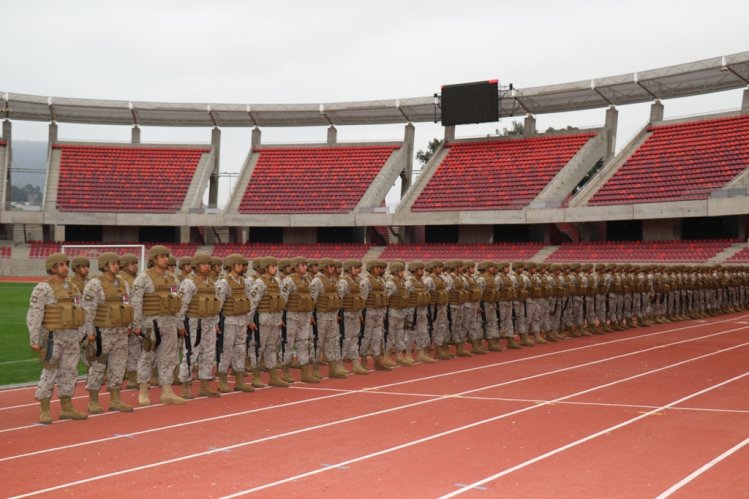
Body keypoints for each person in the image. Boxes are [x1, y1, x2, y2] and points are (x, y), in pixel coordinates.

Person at [27, 253, 88, 424]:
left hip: (71, 338)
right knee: (50, 371)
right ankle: (45, 409)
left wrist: (81, 334)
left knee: (70, 371)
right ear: (52, 268)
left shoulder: (73, 288)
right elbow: (34, 315)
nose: (65, 268)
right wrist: (35, 339)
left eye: (66, 264)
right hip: (53, 338)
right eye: (61, 265)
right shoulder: (42, 289)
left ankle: (67, 407)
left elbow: (81, 311)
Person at [131, 245, 186, 406]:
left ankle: (167, 391)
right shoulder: (143, 278)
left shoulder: (172, 279)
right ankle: (143, 390)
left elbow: (177, 303)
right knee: (147, 357)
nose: (165, 259)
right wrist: (136, 323)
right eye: (162, 256)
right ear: (154, 259)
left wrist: (179, 324)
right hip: (151, 324)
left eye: (166, 256)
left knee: (169, 358)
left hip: (169, 323)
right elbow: (136, 301)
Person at [81, 252, 134, 414]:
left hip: (120, 332)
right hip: (101, 332)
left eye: (118, 263)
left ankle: (116, 399)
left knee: (119, 365)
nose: (117, 266)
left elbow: (128, 304)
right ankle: (93, 400)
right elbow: (88, 310)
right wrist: (89, 333)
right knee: (98, 366)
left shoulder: (122, 283)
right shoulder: (95, 284)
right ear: (105, 266)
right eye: (113, 263)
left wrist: (129, 324)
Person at [177, 252, 224, 398]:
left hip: (209, 323)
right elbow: (181, 306)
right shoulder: (189, 283)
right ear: (196, 266)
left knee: (209, 354)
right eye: (203, 264)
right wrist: (180, 325)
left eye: (208, 264)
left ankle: (204, 385)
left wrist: (216, 323)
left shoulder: (212, 284)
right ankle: (185, 385)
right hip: (194, 324)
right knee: (190, 354)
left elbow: (216, 306)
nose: (207, 266)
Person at [214, 253, 255, 392]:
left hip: (242, 321)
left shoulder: (244, 282)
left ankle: (240, 381)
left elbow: (249, 301)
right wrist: (215, 323)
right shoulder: (224, 283)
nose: (242, 267)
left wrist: (249, 320)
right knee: (226, 350)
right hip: (229, 321)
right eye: (239, 265)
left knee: (240, 350)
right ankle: (223, 380)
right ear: (231, 266)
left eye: (243, 265)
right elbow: (218, 305)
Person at [249, 256, 290, 387]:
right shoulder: (259, 283)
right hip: (263, 320)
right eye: (273, 266)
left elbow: (281, 302)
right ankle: (256, 377)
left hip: (275, 319)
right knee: (258, 348)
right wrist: (249, 320)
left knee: (272, 347)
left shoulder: (277, 281)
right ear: (266, 268)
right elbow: (252, 303)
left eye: (276, 266)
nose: (275, 269)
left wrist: (280, 318)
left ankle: (273, 376)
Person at [280, 256, 320, 383]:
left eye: (305, 265)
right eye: (302, 265)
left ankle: (305, 373)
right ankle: (285, 372)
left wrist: (310, 316)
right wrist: (280, 317)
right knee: (289, 344)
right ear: (296, 267)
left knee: (304, 343)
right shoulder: (288, 281)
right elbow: (282, 300)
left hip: (304, 316)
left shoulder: (307, 280)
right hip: (292, 316)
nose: (305, 267)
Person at [310, 258, 347, 378]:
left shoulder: (333, 281)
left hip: (331, 315)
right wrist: (310, 316)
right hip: (321, 316)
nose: (333, 269)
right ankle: (315, 369)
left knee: (332, 342)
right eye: (331, 267)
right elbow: (312, 300)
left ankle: (332, 368)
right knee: (319, 342)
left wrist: (336, 314)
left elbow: (335, 298)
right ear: (325, 267)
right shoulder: (317, 281)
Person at [337, 260, 369, 374]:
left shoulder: (357, 281)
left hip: (355, 314)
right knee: (345, 339)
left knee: (355, 338)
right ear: (349, 268)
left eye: (359, 268)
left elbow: (359, 299)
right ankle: (339, 364)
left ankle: (355, 363)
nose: (358, 270)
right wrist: (337, 314)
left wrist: (360, 314)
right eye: (356, 268)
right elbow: (338, 299)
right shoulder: (343, 282)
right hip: (346, 314)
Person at [359, 259, 391, 371]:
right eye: (377, 267)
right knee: (367, 337)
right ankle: (363, 358)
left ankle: (377, 360)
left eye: (379, 268)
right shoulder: (366, 282)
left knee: (377, 337)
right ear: (371, 268)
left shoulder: (381, 281)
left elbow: (384, 297)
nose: (379, 269)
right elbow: (362, 299)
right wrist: (360, 314)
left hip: (379, 312)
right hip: (370, 312)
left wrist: (384, 312)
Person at [404, 261, 435, 363]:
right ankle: (408, 354)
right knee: (410, 333)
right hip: (412, 312)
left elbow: (424, 297)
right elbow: (406, 298)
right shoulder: (409, 283)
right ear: (414, 270)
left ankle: (421, 354)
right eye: (420, 269)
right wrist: (406, 314)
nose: (422, 271)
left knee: (423, 332)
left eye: (423, 269)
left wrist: (425, 311)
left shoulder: (422, 282)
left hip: (422, 311)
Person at [119, 254, 141, 388]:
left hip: (133, 319)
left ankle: (132, 377)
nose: (135, 266)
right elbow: (126, 303)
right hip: (123, 321)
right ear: (126, 265)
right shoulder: (122, 280)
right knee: (119, 352)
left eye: (136, 263)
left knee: (134, 350)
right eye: (132, 264)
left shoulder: (135, 279)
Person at [423, 260, 451, 359]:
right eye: (439, 267)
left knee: (441, 327)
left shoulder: (441, 279)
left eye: (441, 267)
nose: (441, 269)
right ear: (434, 268)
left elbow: (445, 292)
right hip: (433, 309)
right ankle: (426, 351)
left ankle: (439, 348)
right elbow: (424, 295)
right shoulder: (428, 280)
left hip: (441, 307)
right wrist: (426, 310)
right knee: (431, 328)